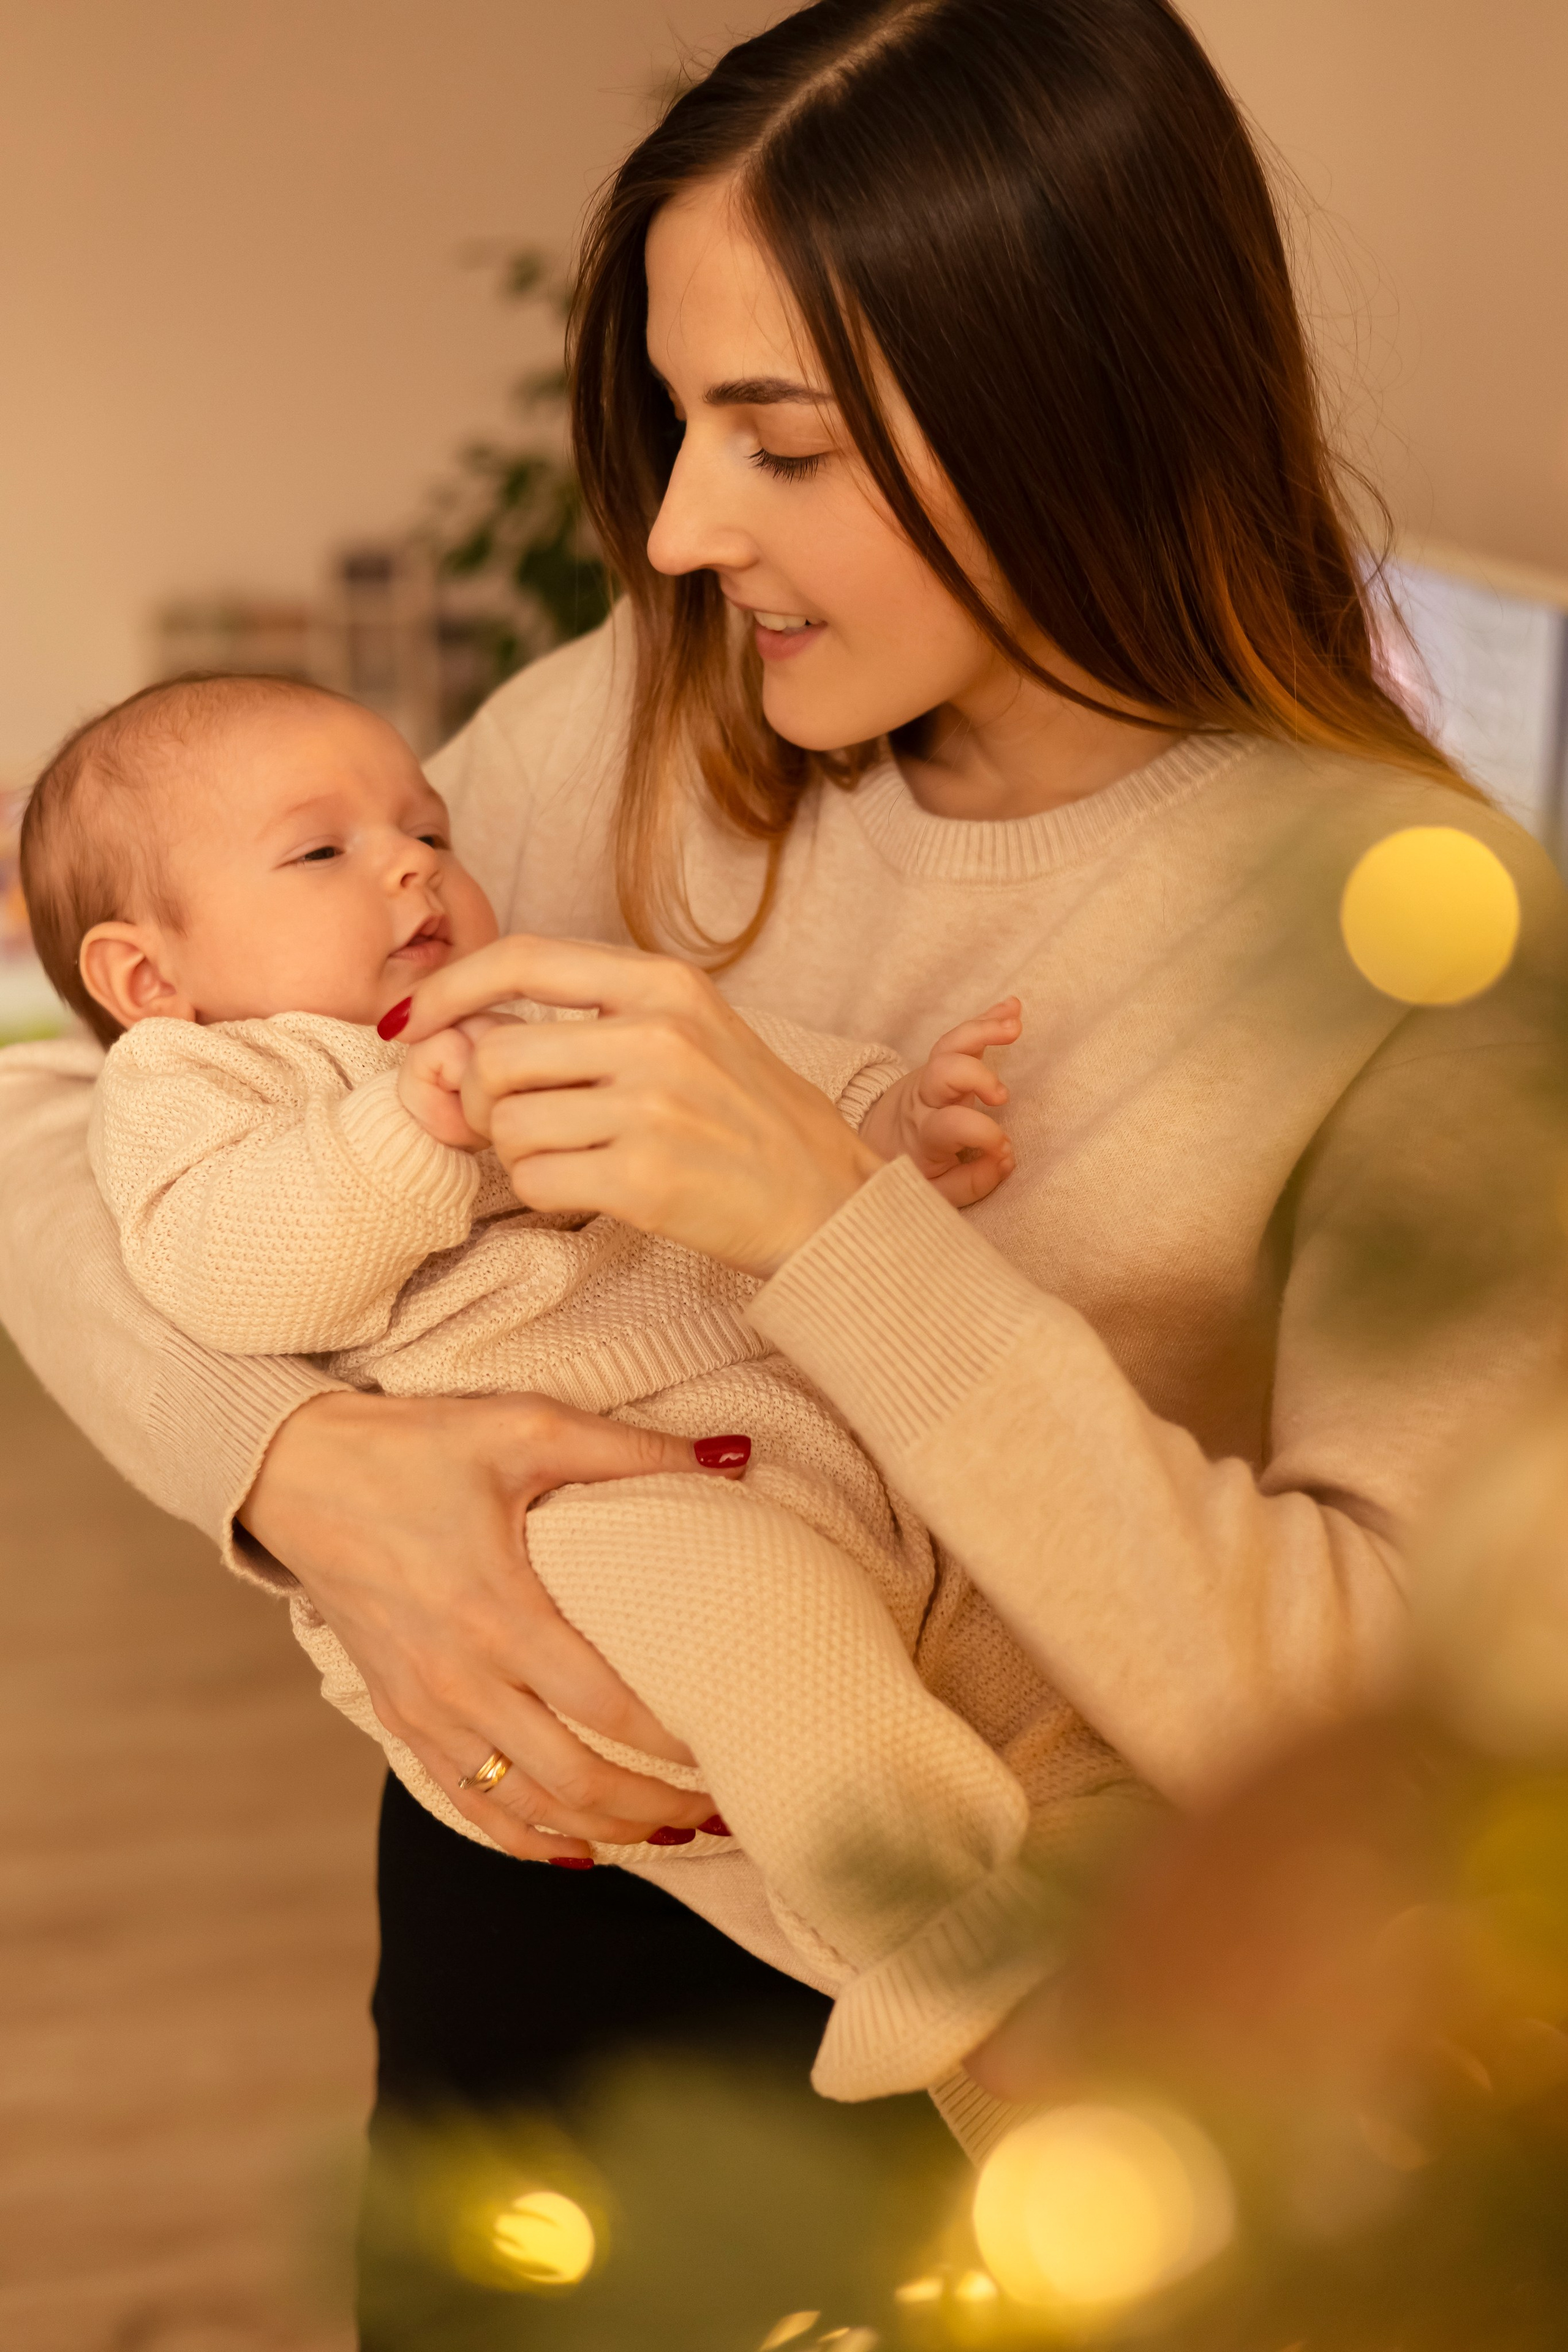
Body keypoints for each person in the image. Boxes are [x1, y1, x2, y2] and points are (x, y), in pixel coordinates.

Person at [2, 0, 1564, 2334]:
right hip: (536, 1976)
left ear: (1068, 400)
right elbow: (83, 1095)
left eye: (783, 442)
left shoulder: (1413, 939)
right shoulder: (616, 728)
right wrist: (305, 1473)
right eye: (678, 421)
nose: (675, 529)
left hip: (1051, 2062)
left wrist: (840, 1231)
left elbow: (1385, 1735)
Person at [24, 666, 1048, 2103]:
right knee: (767, 1636)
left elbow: (727, 1078)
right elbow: (228, 1271)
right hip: (560, 1519)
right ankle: (944, 1938)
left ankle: (1098, 1890)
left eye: (427, 831)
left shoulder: (512, 1000)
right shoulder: (203, 1085)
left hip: (787, 1436)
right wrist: (407, 1130)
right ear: (148, 980)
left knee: (1013, 1639)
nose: (409, 864)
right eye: (320, 852)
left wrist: (881, 1124)